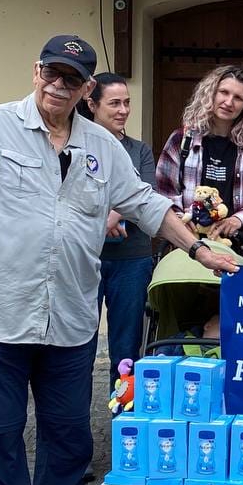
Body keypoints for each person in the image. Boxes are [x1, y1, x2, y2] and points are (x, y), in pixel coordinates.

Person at [0, 34, 239, 485]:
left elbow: (146, 204)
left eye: (72, 79)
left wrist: (198, 250)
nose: (57, 85)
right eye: (51, 72)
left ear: (87, 90)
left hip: (69, 316)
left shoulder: (101, 145)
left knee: (68, 430)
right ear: (35, 70)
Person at [155, 64, 243, 266]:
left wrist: (238, 220)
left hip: (241, 251)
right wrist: (181, 226)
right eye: (223, 92)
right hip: (188, 250)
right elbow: (163, 193)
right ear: (211, 93)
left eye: (238, 98)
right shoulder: (182, 140)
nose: (229, 102)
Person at [78, 73, 154, 385]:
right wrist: (104, 220)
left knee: (126, 344)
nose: (123, 110)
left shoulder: (140, 150)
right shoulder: (75, 145)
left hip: (132, 258)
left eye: (127, 103)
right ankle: (73, 417)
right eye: (114, 103)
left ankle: (123, 416)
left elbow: (145, 192)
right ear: (92, 104)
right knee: (79, 340)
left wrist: (116, 213)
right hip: (85, 257)